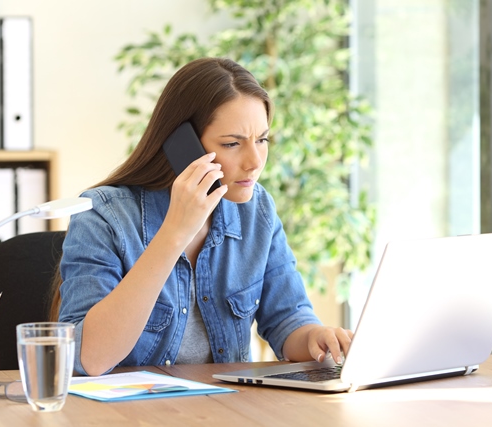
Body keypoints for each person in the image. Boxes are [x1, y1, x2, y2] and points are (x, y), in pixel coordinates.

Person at [52, 57, 353, 376]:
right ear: (182, 146)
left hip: (226, 408)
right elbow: (89, 358)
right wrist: (175, 233)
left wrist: (315, 338)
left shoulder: (256, 210)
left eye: (262, 140)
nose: (254, 162)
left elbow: (287, 319)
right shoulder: (103, 215)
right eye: (232, 143)